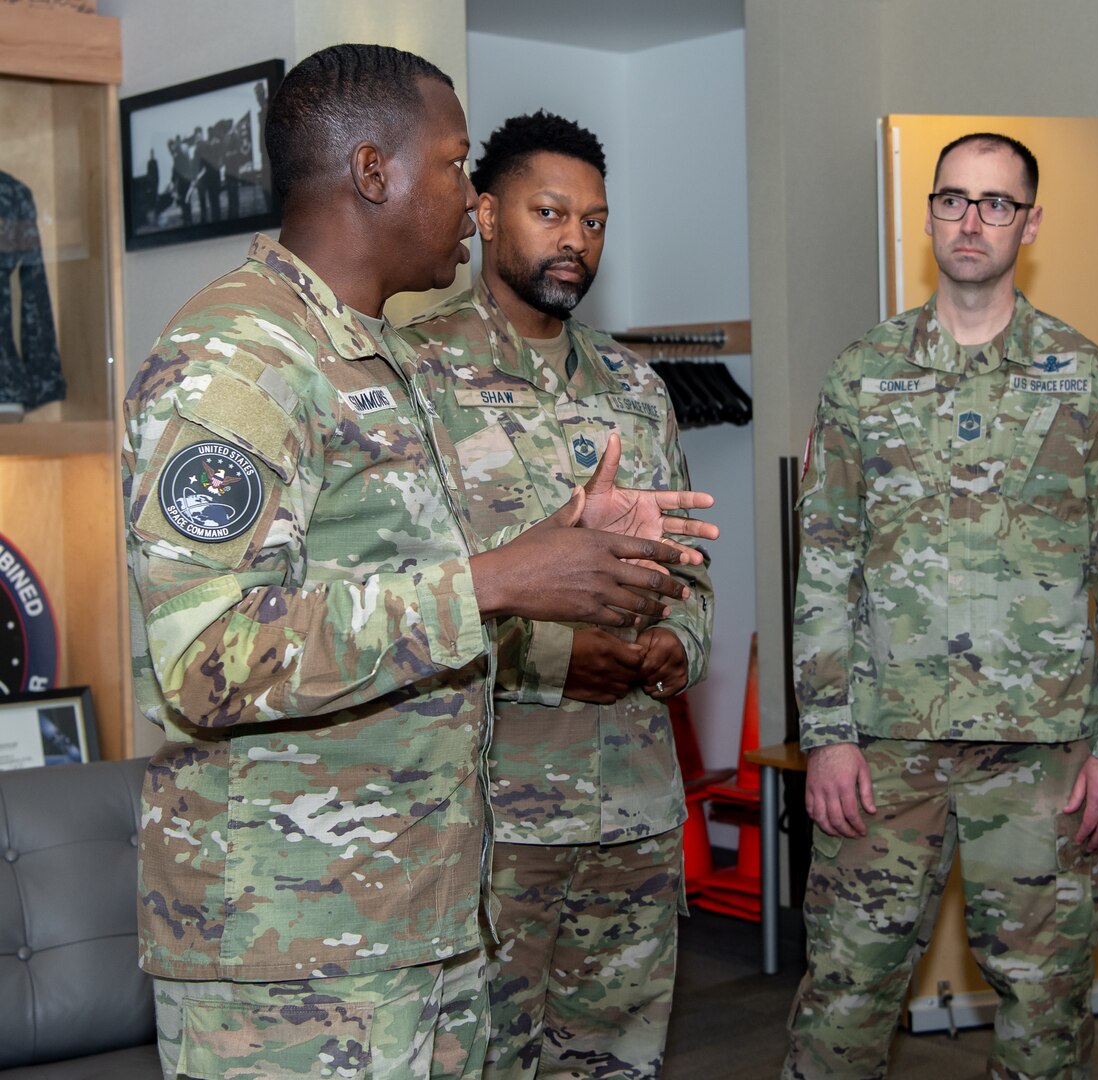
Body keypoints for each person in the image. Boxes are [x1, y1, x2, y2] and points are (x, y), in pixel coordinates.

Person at [124, 45, 706, 1080]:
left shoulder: (366, 356)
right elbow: (206, 656)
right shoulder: (240, 356)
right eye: (451, 167)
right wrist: (498, 583)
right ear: (371, 170)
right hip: (289, 944)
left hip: (411, 917)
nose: (465, 196)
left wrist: (565, 535)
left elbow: (382, 570)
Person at [784, 132, 1098, 1079]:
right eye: (954, 199)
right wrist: (825, 731)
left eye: (998, 204)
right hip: (884, 750)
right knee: (844, 996)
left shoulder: (1083, 377)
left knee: (1045, 1007)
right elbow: (824, 564)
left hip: (1041, 757)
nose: (972, 221)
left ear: (1030, 224)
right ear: (928, 214)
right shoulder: (862, 372)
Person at [402, 110, 713, 1079]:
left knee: (619, 1058)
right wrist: (553, 656)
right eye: (550, 212)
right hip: (493, 815)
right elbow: (403, 593)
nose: (576, 238)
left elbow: (689, 562)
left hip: (633, 802)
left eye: (595, 221)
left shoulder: (634, 385)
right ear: (487, 214)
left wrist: (679, 648)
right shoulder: (411, 372)